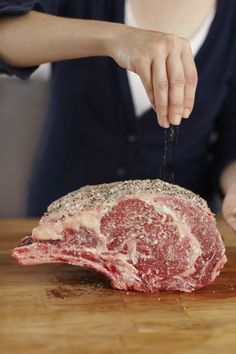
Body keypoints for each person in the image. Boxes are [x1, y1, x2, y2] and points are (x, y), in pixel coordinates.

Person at [0, 0, 235, 232]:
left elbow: (231, 139)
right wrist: (115, 38)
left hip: (177, 235)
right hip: (63, 222)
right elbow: (6, 31)